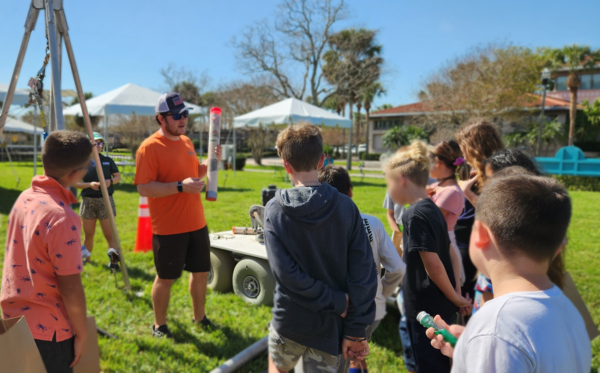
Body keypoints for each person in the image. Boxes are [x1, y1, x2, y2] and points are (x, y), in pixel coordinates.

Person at [427, 174, 592, 373]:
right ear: (558, 248)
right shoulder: (569, 309)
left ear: (481, 235)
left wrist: (487, 343)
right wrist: (474, 351)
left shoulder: (497, 327)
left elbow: (508, 341)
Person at [264, 123, 378, 373]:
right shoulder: (347, 207)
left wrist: (339, 304)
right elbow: (364, 273)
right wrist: (354, 325)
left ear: (285, 164)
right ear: (322, 160)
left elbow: (287, 275)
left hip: (289, 322)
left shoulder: (273, 210)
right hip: (331, 327)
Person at [1, 131, 92, 373]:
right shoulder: (63, 218)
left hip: (13, 320)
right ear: (76, 173)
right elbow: (70, 288)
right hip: (50, 335)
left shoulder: (25, 198)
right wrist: (82, 334)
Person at [134, 92, 222, 338]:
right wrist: (179, 186)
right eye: (177, 116)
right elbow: (143, 187)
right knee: (166, 278)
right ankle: (159, 325)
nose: (183, 119)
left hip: (196, 222)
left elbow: (195, 173)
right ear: (161, 119)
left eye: (185, 114)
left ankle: (199, 317)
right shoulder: (149, 147)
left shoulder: (186, 142)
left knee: (201, 273)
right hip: (168, 228)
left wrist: (211, 162)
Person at [385, 141, 470, 373]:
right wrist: (456, 293)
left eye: (388, 182)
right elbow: (451, 254)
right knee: (443, 361)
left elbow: (433, 265)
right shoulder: (432, 207)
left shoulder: (413, 215)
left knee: (430, 365)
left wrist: (455, 296)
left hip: (425, 308)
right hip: (442, 300)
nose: (389, 191)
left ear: (402, 179)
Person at [317, 165, 405, 373]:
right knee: (357, 351)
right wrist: (381, 292)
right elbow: (398, 268)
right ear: (351, 191)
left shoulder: (318, 226)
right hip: (372, 308)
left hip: (338, 309)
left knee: (343, 359)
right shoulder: (372, 222)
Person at [453, 120, 504, 302]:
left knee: (472, 299)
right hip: (471, 241)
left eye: (463, 146)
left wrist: (467, 193)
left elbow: (497, 214)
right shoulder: (478, 170)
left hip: (484, 247)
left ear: (474, 145)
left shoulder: (497, 174)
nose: (462, 152)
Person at [428, 140, 469, 287]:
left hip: (442, 251)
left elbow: (425, 221)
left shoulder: (451, 192)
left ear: (438, 162)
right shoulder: (435, 187)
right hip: (433, 247)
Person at [75, 132, 120, 261]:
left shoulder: (107, 161)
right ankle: (86, 260)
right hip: (88, 201)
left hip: (105, 201)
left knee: (110, 235)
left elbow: (117, 176)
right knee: (88, 234)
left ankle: (114, 262)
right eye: (94, 142)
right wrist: (89, 184)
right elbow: (75, 183)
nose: (97, 145)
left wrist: (109, 182)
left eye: (100, 143)